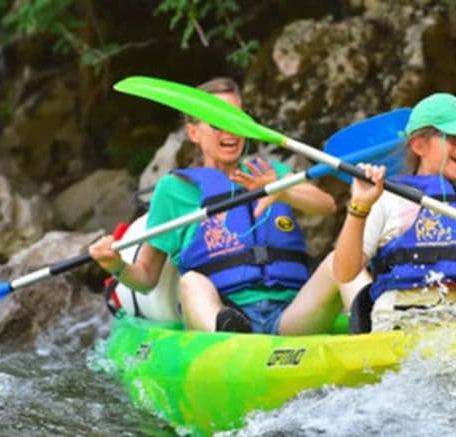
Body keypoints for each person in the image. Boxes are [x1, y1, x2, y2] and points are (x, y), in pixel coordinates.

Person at [90, 77, 367, 334]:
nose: (230, 129)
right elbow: (147, 276)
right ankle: (230, 331)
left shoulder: (272, 172)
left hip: (290, 315)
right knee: (191, 282)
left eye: (236, 118)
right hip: (225, 313)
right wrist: (115, 265)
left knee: (338, 260)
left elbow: (326, 205)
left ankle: (378, 325)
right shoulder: (174, 190)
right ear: (193, 133)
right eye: (216, 122)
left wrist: (283, 192)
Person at [332, 92, 456, 332]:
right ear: (419, 145)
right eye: (455, 138)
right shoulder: (389, 197)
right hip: (401, 323)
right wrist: (359, 206)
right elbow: (344, 272)